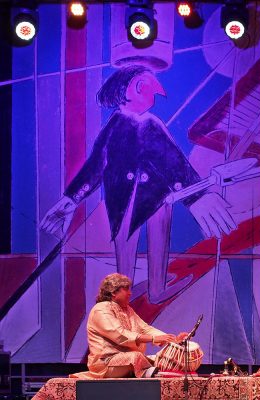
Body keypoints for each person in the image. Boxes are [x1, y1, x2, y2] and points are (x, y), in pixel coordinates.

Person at [41, 65, 236, 304]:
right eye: (144, 87)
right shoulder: (114, 126)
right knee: (125, 246)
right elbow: (96, 165)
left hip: (159, 195)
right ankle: (123, 297)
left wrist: (196, 195)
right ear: (125, 91)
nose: (152, 95)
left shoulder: (152, 124)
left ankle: (157, 289)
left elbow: (175, 162)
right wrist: (70, 199)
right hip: (123, 198)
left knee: (159, 241)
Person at [72, 273, 187, 378]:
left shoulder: (128, 310)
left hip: (128, 359)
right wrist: (153, 339)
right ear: (113, 292)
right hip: (106, 363)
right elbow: (119, 335)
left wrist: (172, 340)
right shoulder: (101, 309)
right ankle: (150, 374)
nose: (130, 293)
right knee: (137, 357)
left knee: (160, 359)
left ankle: (151, 372)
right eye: (126, 289)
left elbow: (145, 329)